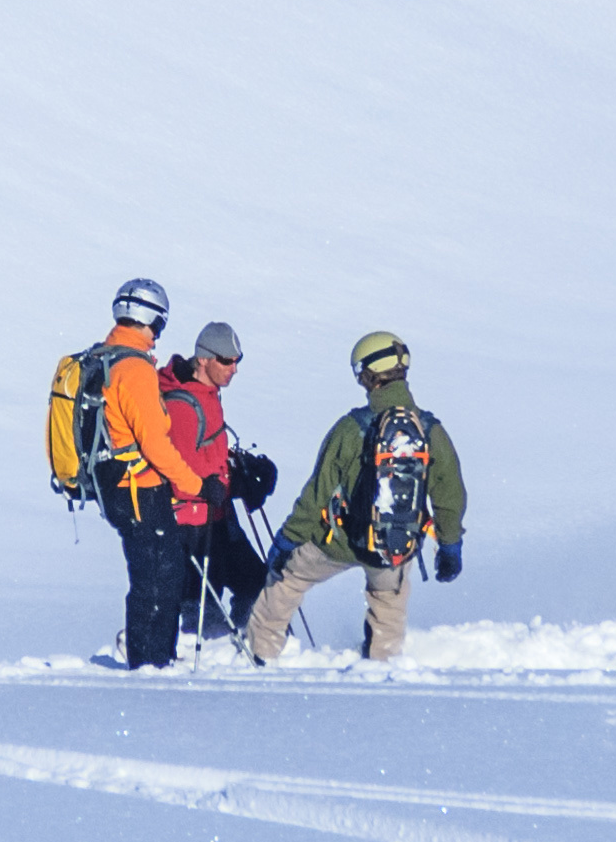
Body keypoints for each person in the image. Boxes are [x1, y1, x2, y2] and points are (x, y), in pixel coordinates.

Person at [242, 331, 466, 664]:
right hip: (394, 545)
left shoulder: (350, 428)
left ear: (368, 375)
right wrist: (449, 546)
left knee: (287, 581)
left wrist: (287, 542)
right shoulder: (430, 430)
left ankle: (258, 654)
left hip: (337, 541)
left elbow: (316, 493)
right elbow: (450, 496)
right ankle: (381, 667)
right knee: (387, 603)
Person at [90, 278, 209, 666]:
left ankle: (150, 661)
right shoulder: (134, 370)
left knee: (151, 574)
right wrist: (196, 485)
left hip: (115, 486)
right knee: (159, 578)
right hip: (140, 489)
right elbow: (156, 444)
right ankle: (151, 666)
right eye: (159, 324)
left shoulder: (103, 357)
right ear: (148, 319)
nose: (158, 335)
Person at [163, 323, 274, 638]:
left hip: (219, 519)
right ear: (203, 359)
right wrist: (233, 485)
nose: (234, 368)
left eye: (237, 360)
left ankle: (242, 643)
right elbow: (180, 473)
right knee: (202, 613)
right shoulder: (181, 404)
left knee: (258, 585)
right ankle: (209, 662)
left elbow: (207, 459)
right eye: (227, 360)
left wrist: (241, 476)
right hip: (192, 527)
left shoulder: (207, 395)